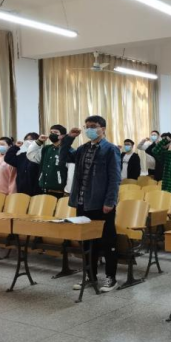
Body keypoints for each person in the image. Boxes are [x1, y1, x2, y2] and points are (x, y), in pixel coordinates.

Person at [61, 116, 121, 293]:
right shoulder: (83, 148)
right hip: (83, 202)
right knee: (87, 242)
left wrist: (110, 201)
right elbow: (64, 156)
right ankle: (90, 276)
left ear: (103, 128)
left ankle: (111, 278)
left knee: (107, 242)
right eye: (87, 126)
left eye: (93, 126)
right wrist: (69, 138)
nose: (89, 130)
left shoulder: (110, 149)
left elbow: (115, 178)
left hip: (102, 204)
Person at [28, 125, 72, 199]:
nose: (52, 134)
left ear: (63, 136)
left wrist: (68, 191)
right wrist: (39, 142)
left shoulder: (68, 151)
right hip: (44, 190)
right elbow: (31, 155)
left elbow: (71, 173)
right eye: (51, 132)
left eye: (55, 132)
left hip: (60, 192)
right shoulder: (47, 149)